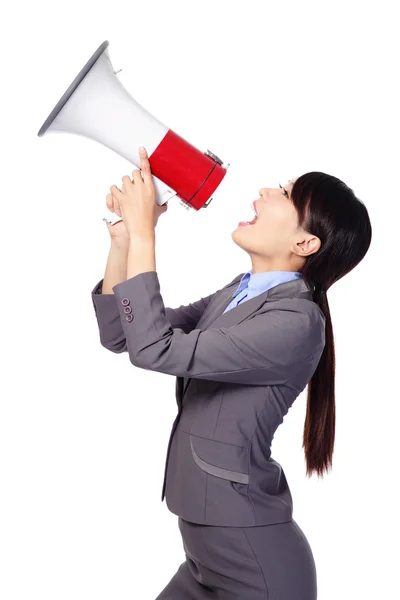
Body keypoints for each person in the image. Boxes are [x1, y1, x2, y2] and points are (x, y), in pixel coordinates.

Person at [91, 172, 372, 599]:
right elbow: (123, 334)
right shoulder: (238, 293)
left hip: (257, 569)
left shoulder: (295, 323)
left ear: (305, 243)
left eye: (285, 194)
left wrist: (147, 234)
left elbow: (154, 349)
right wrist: (125, 242)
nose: (265, 191)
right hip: (205, 562)